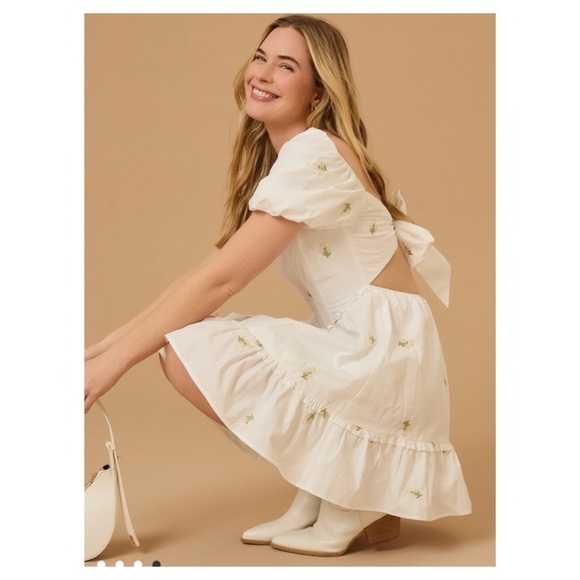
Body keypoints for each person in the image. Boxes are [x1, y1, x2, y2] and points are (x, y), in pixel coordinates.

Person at [85, 14, 472, 557]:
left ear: (318, 93)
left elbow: (221, 282)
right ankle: (321, 491)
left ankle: (354, 499)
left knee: (186, 348)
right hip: (364, 340)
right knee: (179, 340)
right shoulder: (291, 160)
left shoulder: (315, 153)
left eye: (286, 66)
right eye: (260, 57)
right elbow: (200, 276)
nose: (262, 73)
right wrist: (105, 349)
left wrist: (115, 365)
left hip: (381, 354)